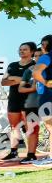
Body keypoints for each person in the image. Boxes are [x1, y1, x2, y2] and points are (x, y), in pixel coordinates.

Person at [0, 42, 37, 161]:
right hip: (14, 99)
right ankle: (14, 152)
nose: (21, 51)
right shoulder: (12, 65)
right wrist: (21, 80)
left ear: (32, 52)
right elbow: (3, 82)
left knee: (31, 128)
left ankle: (31, 155)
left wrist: (13, 79)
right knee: (14, 127)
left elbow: (33, 82)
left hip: (30, 100)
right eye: (20, 49)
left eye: (25, 49)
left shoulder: (35, 65)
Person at [30, 35, 52, 166]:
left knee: (50, 127)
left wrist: (46, 82)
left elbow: (36, 73)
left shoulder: (46, 57)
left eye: (43, 44)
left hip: (48, 95)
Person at [18, 47, 42, 163]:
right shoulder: (29, 71)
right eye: (36, 56)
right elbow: (21, 88)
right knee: (33, 130)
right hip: (32, 104)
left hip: (47, 103)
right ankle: (31, 154)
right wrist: (33, 88)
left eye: (40, 56)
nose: (37, 58)